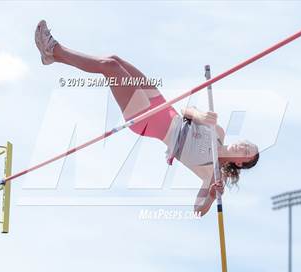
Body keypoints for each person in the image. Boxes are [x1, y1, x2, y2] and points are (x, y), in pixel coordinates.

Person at [35, 20, 259, 216]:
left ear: (241, 162)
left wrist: (210, 197)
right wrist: (202, 115)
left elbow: (197, 210)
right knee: (115, 59)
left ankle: (53, 48)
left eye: (247, 151)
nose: (244, 145)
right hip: (162, 105)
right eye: (248, 143)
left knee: (110, 68)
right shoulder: (217, 132)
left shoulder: (212, 174)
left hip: (149, 121)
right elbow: (187, 112)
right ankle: (52, 57)